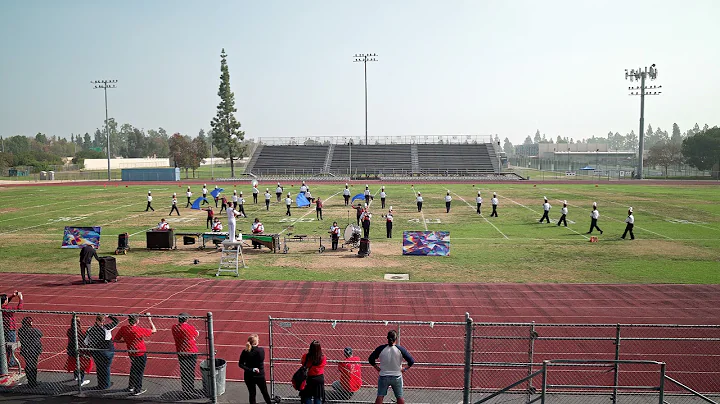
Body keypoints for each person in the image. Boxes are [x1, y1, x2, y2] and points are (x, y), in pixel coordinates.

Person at [114, 313, 157, 396]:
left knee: (133, 369)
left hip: (131, 352)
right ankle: (137, 389)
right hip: (140, 353)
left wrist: (126, 341)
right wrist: (149, 319)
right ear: (137, 321)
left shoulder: (124, 329)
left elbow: (116, 339)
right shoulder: (138, 330)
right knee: (139, 372)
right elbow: (154, 330)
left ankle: (131, 386)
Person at [369, 330, 415, 404]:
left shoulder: (381, 349)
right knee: (399, 397)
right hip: (397, 376)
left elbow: (370, 359)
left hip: (383, 376)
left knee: (380, 396)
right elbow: (411, 361)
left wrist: (376, 367)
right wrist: (405, 369)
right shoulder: (400, 349)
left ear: (387, 338)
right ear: (396, 338)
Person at [85, 314, 119, 390]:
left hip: (96, 351)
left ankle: (101, 384)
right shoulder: (106, 328)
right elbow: (116, 321)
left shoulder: (90, 329)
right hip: (107, 350)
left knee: (100, 368)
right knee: (106, 368)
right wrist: (109, 316)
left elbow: (86, 341)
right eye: (102, 321)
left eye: (102, 321)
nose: (102, 323)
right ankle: (106, 384)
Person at [238, 334, 273, 404]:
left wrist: (251, 369)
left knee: (252, 394)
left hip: (248, 376)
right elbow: (261, 360)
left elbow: (240, 364)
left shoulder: (245, 352)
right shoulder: (261, 351)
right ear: (256, 342)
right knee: (264, 392)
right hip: (259, 376)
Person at [172, 313, 199, 395]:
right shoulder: (190, 328)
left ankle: (185, 388)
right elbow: (196, 334)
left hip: (181, 352)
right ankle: (190, 388)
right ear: (187, 319)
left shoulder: (174, 328)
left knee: (184, 370)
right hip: (191, 352)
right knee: (191, 371)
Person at [66, 317, 94, 387]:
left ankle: (76, 376)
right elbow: (85, 340)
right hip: (80, 351)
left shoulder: (69, 331)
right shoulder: (81, 332)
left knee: (75, 362)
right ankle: (81, 381)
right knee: (82, 366)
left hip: (72, 350)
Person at [18, 317, 42, 388]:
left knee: (28, 365)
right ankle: (33, 382)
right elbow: (40, 334)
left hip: (26, 350)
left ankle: (30, 381)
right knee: (33, 366)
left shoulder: (21, 330)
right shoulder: (34, 330)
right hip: (34, 350)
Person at [2, 291, 23, 367]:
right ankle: (10, 362)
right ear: (5, 301)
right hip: (10, 329)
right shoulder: (7, 308)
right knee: (11, 346)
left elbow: (4, 302)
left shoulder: (1, 307)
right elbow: (19, 308)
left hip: (4, 328)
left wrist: (12, 296)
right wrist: (20, 298)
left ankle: (7, 361)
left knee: (6, 346)